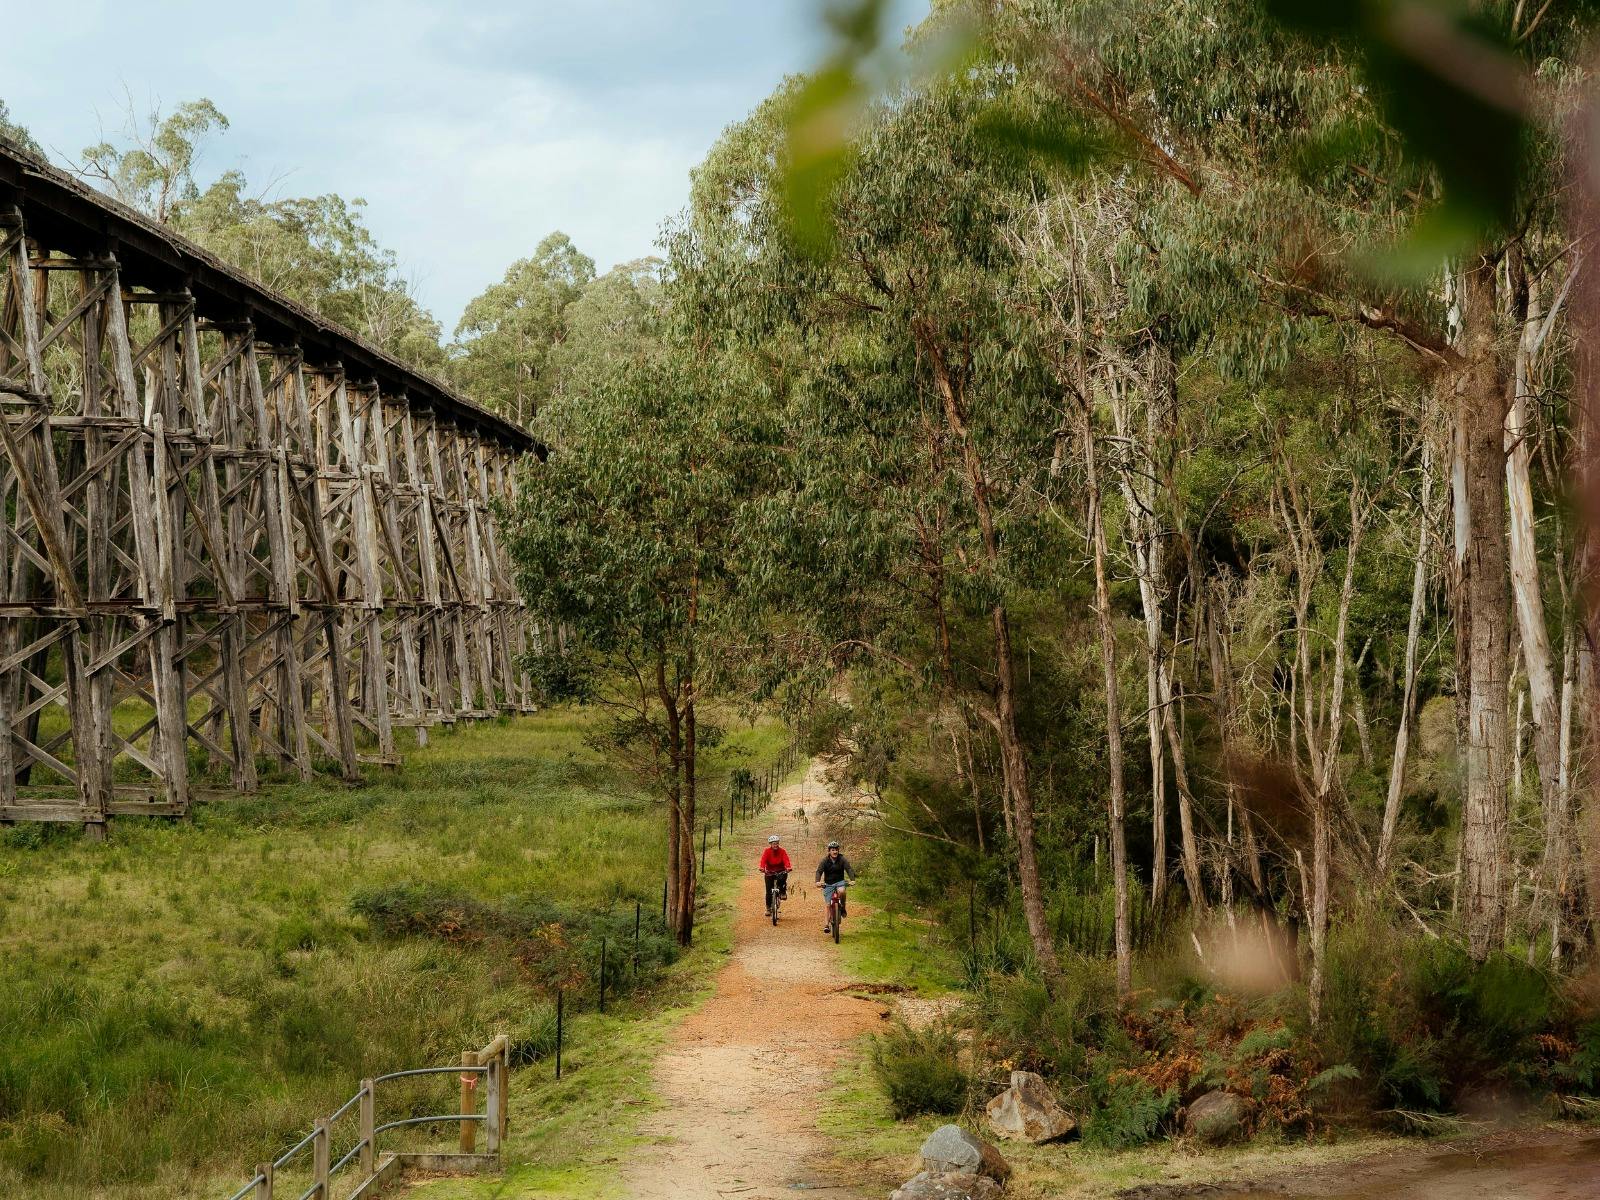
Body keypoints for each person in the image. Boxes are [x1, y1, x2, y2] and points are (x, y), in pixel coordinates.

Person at [815, 840, 855, 934]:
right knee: (828, 905)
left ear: (838, 851)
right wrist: (817, 881)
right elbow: (819, 871)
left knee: (842, 891)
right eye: (833, 850)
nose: (835, 852)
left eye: (836, 849)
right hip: (828, 884)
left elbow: (848, 868)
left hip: (840, 882)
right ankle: (826, 925)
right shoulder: (825, 860)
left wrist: (852, 879)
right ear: (829, 851)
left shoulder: (842, 859)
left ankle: (843, 908)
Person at [757, 834, 791, 911]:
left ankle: (782, 892)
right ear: (771, 844)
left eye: (777, 843)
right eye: (774, 844)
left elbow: (786, 860)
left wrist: (788, 867)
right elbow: (763, 860)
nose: (775, 845)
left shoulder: (782, 851)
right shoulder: (767, 851)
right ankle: (768, 908)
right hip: (769, 872)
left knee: (783, 878)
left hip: (780, 871)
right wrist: (762, 868)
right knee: (768, 891)